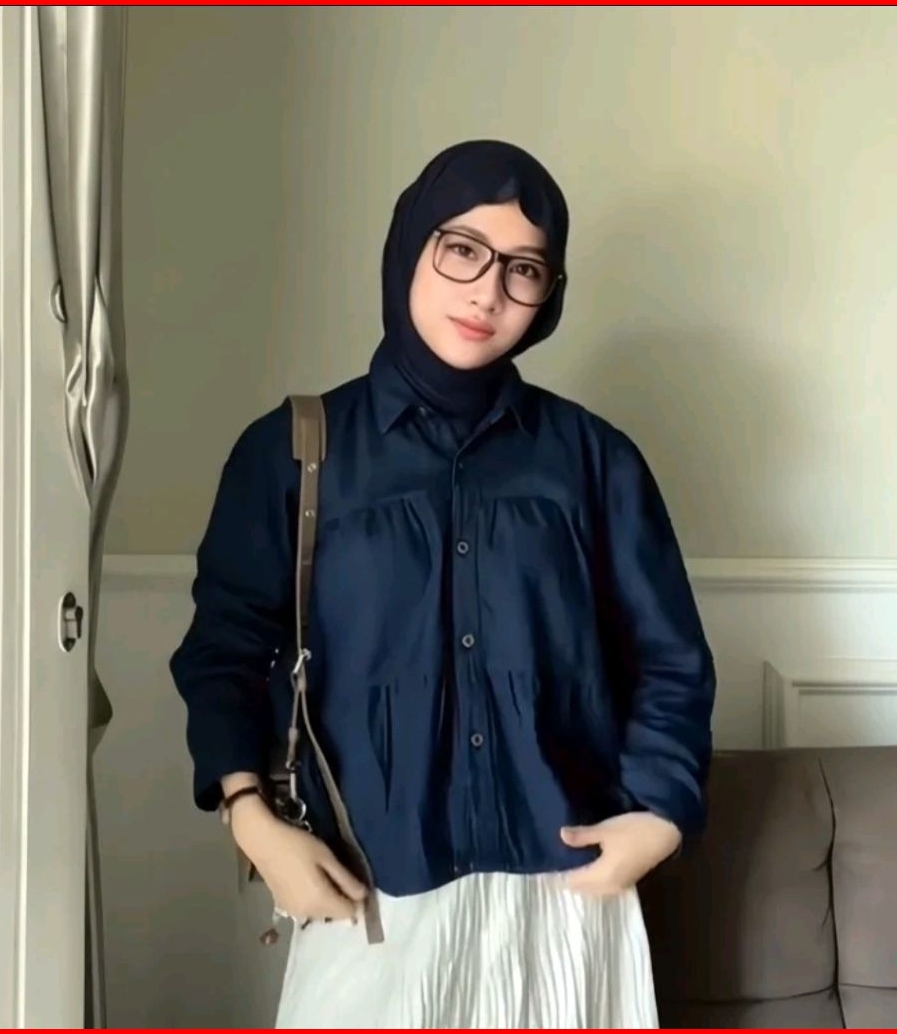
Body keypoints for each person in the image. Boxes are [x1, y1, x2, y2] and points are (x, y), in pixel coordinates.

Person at [170, 139, 716, 1029]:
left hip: (567, 902)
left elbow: (669, 659)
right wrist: (251, 819)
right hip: (367, 896)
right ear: (409, 246)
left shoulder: (595, 460)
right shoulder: (294, 452)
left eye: (523, 268)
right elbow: (223, 653)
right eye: (463, 248)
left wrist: (661, 814)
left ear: (548, 295)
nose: (487, 291)